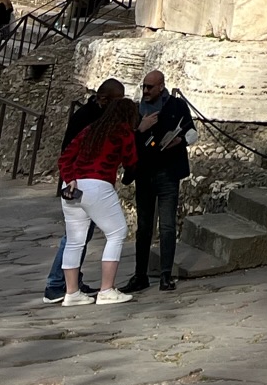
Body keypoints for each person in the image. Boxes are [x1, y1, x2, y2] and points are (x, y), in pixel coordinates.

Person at [56, 76, 138, 303]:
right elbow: (131, 162)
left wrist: (70, 179)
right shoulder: (123, 131)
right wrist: (128, 177)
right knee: (117, 232)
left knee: (75, 240)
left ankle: (71, 293)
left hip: (72, 186)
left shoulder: (91, 129)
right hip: (98, 184)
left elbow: (65, 157)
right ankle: (106, 290)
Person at [124, 69, 195, 292]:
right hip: (144, 174)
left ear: (161, 87)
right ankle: (140, 275)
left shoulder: (177, 106)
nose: (145, 91)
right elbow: (127, 142)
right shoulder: (136, 110)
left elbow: (191, 131)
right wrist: (140, 129)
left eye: (150, 87)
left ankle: (165, 275)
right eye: (144, 86)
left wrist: (180, 140)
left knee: (167, 226)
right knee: (144, 226)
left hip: (168, 172)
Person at [42, 90, 100, 303]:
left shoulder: (90, 115)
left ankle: (71, 281)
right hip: (79, 183)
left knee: (80, 237)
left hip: (81, 181)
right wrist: (71, 178)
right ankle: (56, 283)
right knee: (75, 237)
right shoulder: (87, 118)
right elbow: (68, 152)